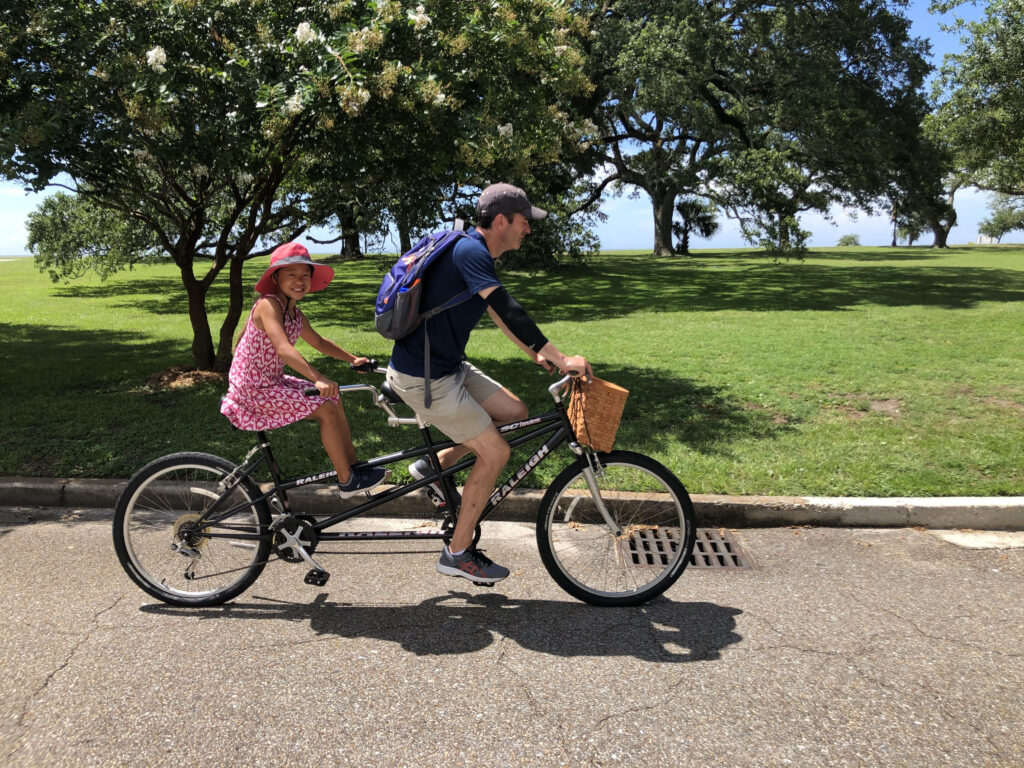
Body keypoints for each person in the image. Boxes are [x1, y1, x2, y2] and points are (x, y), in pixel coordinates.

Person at [385, 183, 591, 584]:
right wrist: (563, 359)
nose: (528, 230)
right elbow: (507, 309)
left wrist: (538, 353)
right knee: (495, 453)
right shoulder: (470, 250)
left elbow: (497, 313)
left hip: (446, 368)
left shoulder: (472, 252)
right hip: (423, 377)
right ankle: (457, 553)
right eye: (523, 222)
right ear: (501, 221)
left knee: (514, 413)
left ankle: (434, 465)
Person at [221, 242, 387, 497]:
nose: (300, 281)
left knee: (333, 397)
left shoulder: (294, 313)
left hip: (271, 381)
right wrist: (318, 378)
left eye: (305, 275)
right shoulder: (268, 305)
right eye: (291, 274)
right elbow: (283, 348)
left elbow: (319, 342)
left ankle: (354, 468)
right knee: (325, 409)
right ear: (275, 278)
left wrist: (353, 359)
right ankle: (346, 480)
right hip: (251, 389)